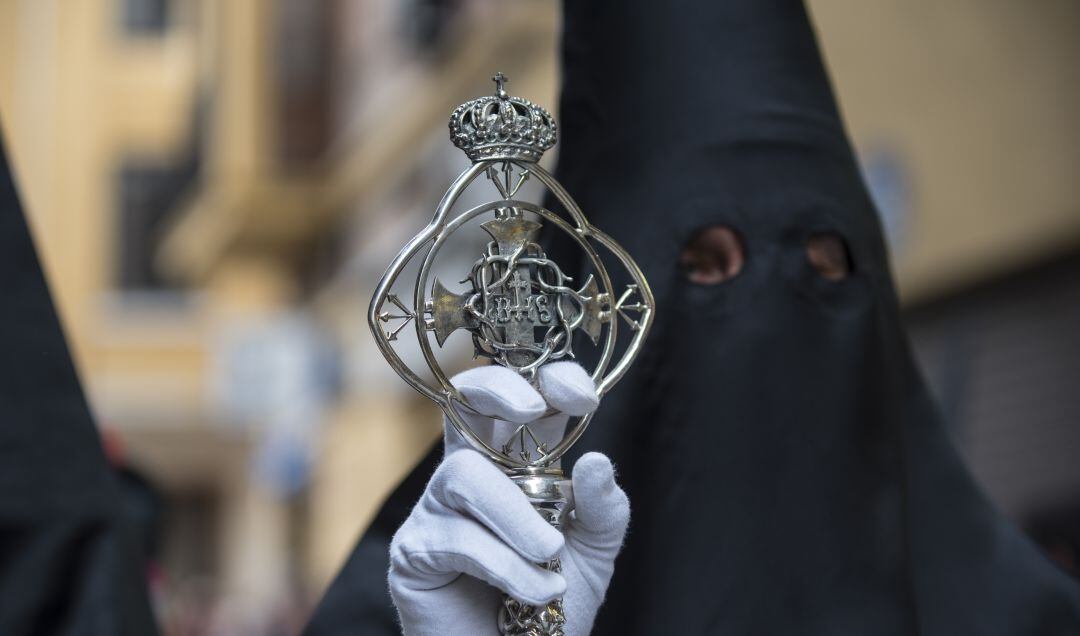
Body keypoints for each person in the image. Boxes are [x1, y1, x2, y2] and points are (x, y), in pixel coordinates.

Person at [305, 0, 1080, 634]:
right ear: (586, 290)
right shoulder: (422, 600)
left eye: (820, 266)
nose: (763, 307)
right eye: (702, 268)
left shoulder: (1030, 618)